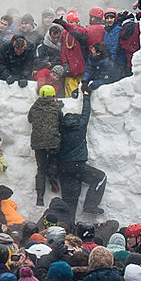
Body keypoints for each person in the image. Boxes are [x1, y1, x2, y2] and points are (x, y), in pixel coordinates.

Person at [57, 89, 105, 219]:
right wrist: (86, 96)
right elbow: (86, 112)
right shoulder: (80, 126)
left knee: (69, 200)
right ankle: (90, 204)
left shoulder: (60, 129)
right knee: (100, 178)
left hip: (63, 168)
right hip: (78, 166)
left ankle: (67, 225)